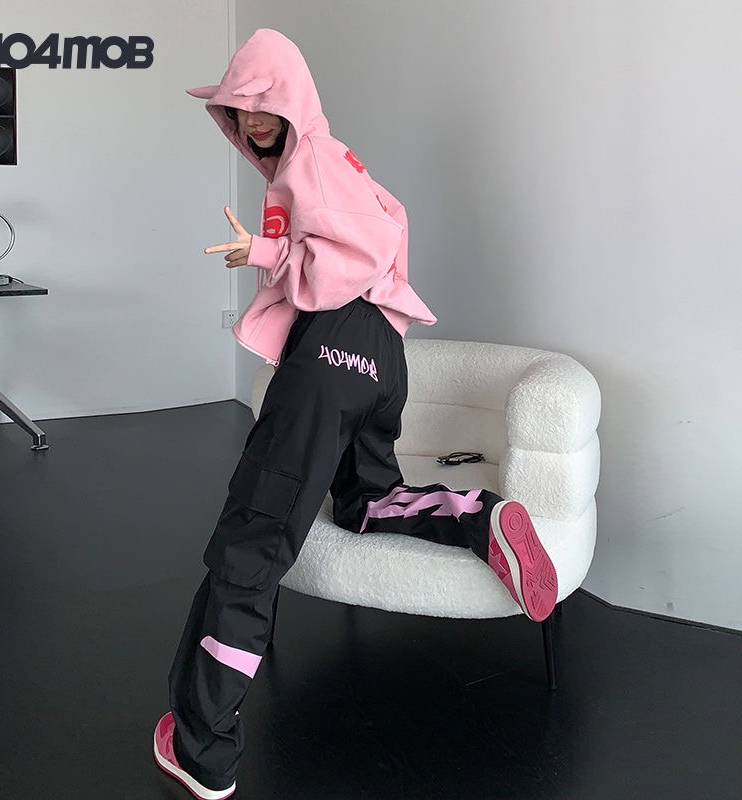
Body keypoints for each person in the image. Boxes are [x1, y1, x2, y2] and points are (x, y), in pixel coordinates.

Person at [153, 29, 558, 800]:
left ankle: (201, 746)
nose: (250, 125)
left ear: (294, 104)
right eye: (238, 112)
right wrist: (271, 255)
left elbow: (362, 249)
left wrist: (265, 255)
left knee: (253, 541)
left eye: (262, 109)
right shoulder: (335, 166)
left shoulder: (310, 160)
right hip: (381, 357)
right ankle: (479, 517)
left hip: (333, 349)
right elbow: (386, 228)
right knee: (368, 500)